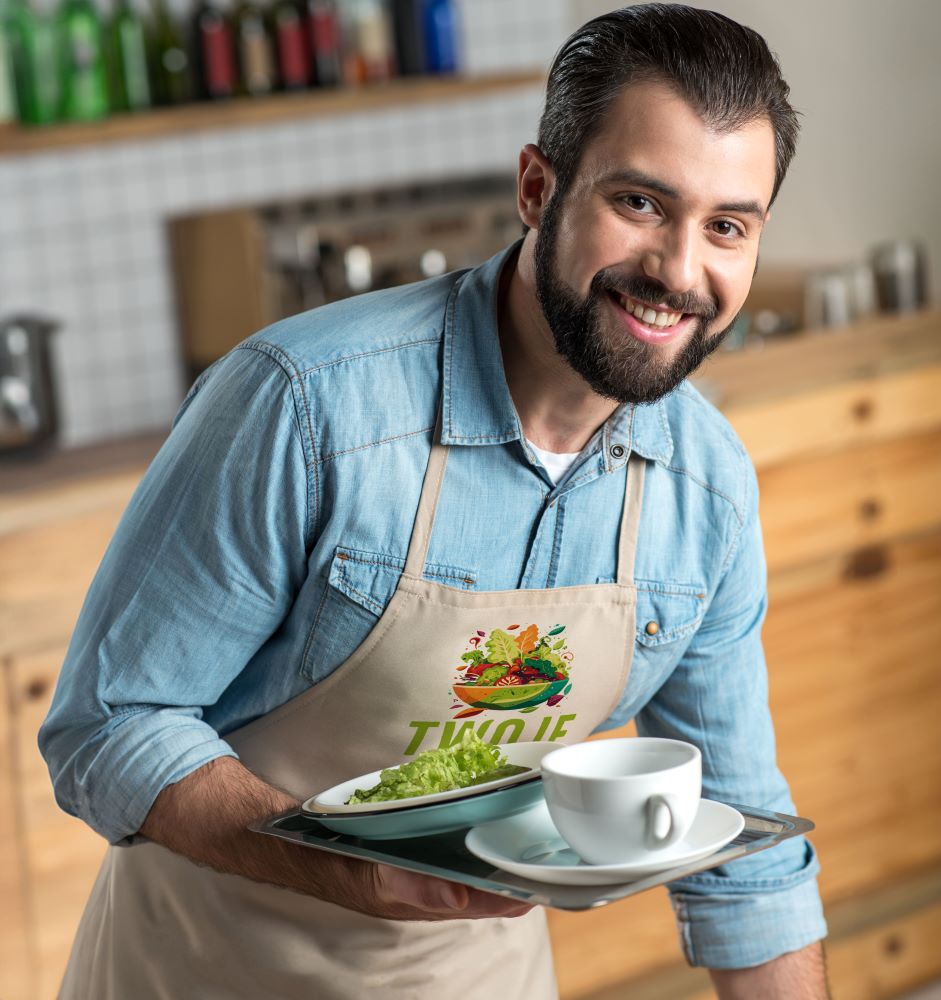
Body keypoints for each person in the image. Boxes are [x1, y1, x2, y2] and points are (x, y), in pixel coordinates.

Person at [40, 4, 830, 998]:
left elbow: (745, 844)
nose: (678, 269)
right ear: (538, 188)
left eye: (726, 226)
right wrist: (337, 864)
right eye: (639, 202)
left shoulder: (703, 490)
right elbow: (106, 722)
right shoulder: (305, 408)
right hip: (208, 970)